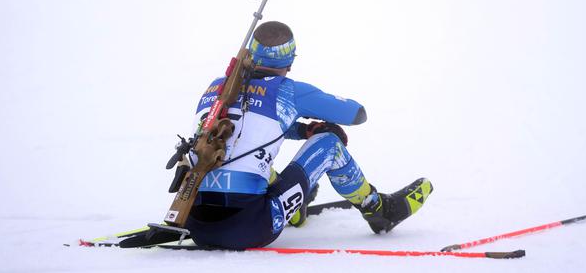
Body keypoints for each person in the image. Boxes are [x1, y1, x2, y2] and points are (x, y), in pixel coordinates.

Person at [184, 21, 432, 249]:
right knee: (329, 143)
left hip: (197, 226)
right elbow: (356, 113)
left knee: (244, 152)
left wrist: (303, 130)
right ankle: (379, 210)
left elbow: (249, 127)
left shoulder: (217, 87)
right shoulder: (287, 91)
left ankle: (295, 208)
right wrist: (312, 119)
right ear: (290, 61)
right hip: (252, 228)